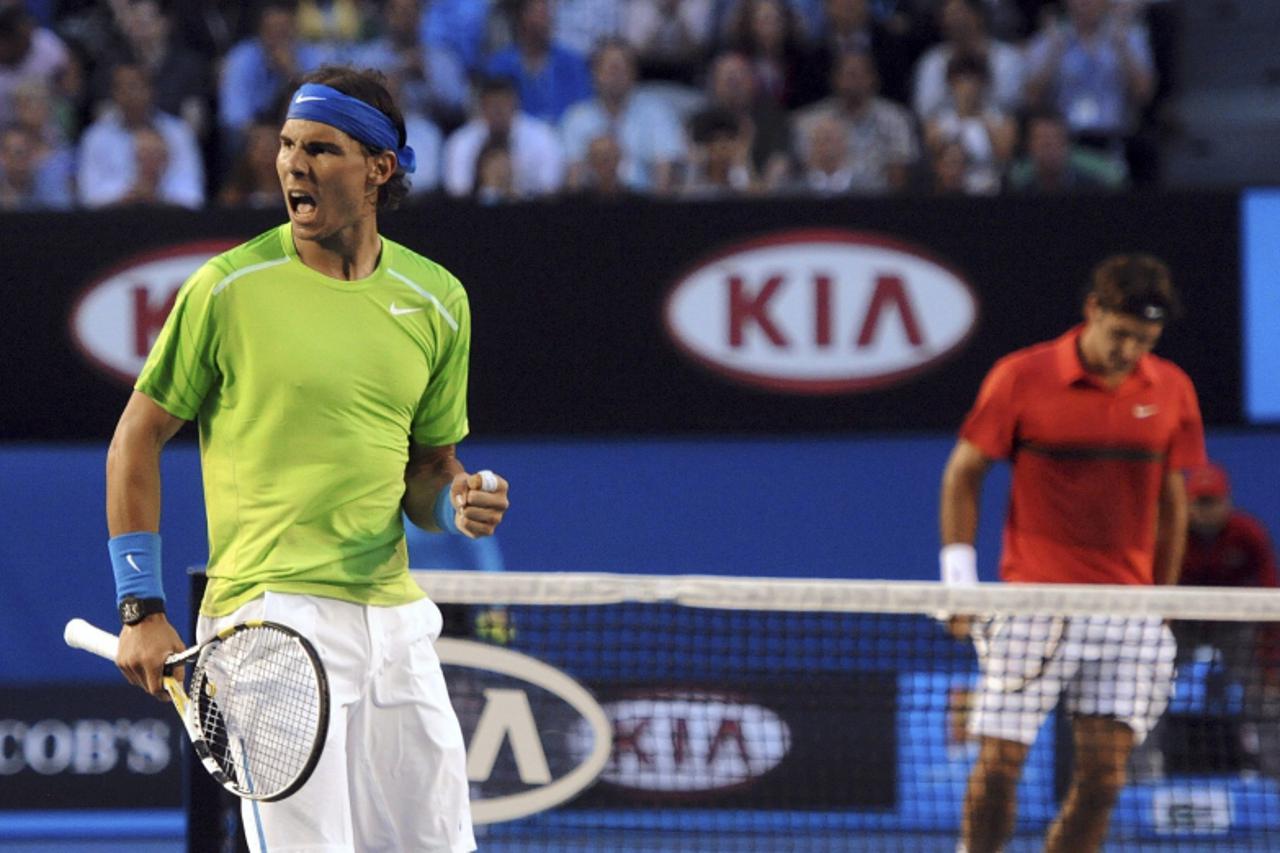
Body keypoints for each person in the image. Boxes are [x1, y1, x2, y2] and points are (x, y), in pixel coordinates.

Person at [106, 65, 509, 852]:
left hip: (393, 621)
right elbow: (134, 439)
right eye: (287, 145)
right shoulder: (226, 289)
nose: (292, 163)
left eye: (320, 148)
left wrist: (457, 499)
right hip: (269, 621)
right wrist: (140, 608)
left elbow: (427, 472)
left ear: (378, 169)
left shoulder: (438, 301)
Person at [939, 253, 1206, 853]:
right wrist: (959, 585)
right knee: (1000, 765)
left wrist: (1162, 599)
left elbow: (1173, 500)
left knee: (1105, 778)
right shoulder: (1020, 376)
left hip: (1127, 614)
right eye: (1120, 334)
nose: (1130, 351)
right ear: (1093, 310)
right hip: (1034, 605)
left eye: (1145, 339)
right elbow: (963, 474)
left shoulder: (1173, 390)